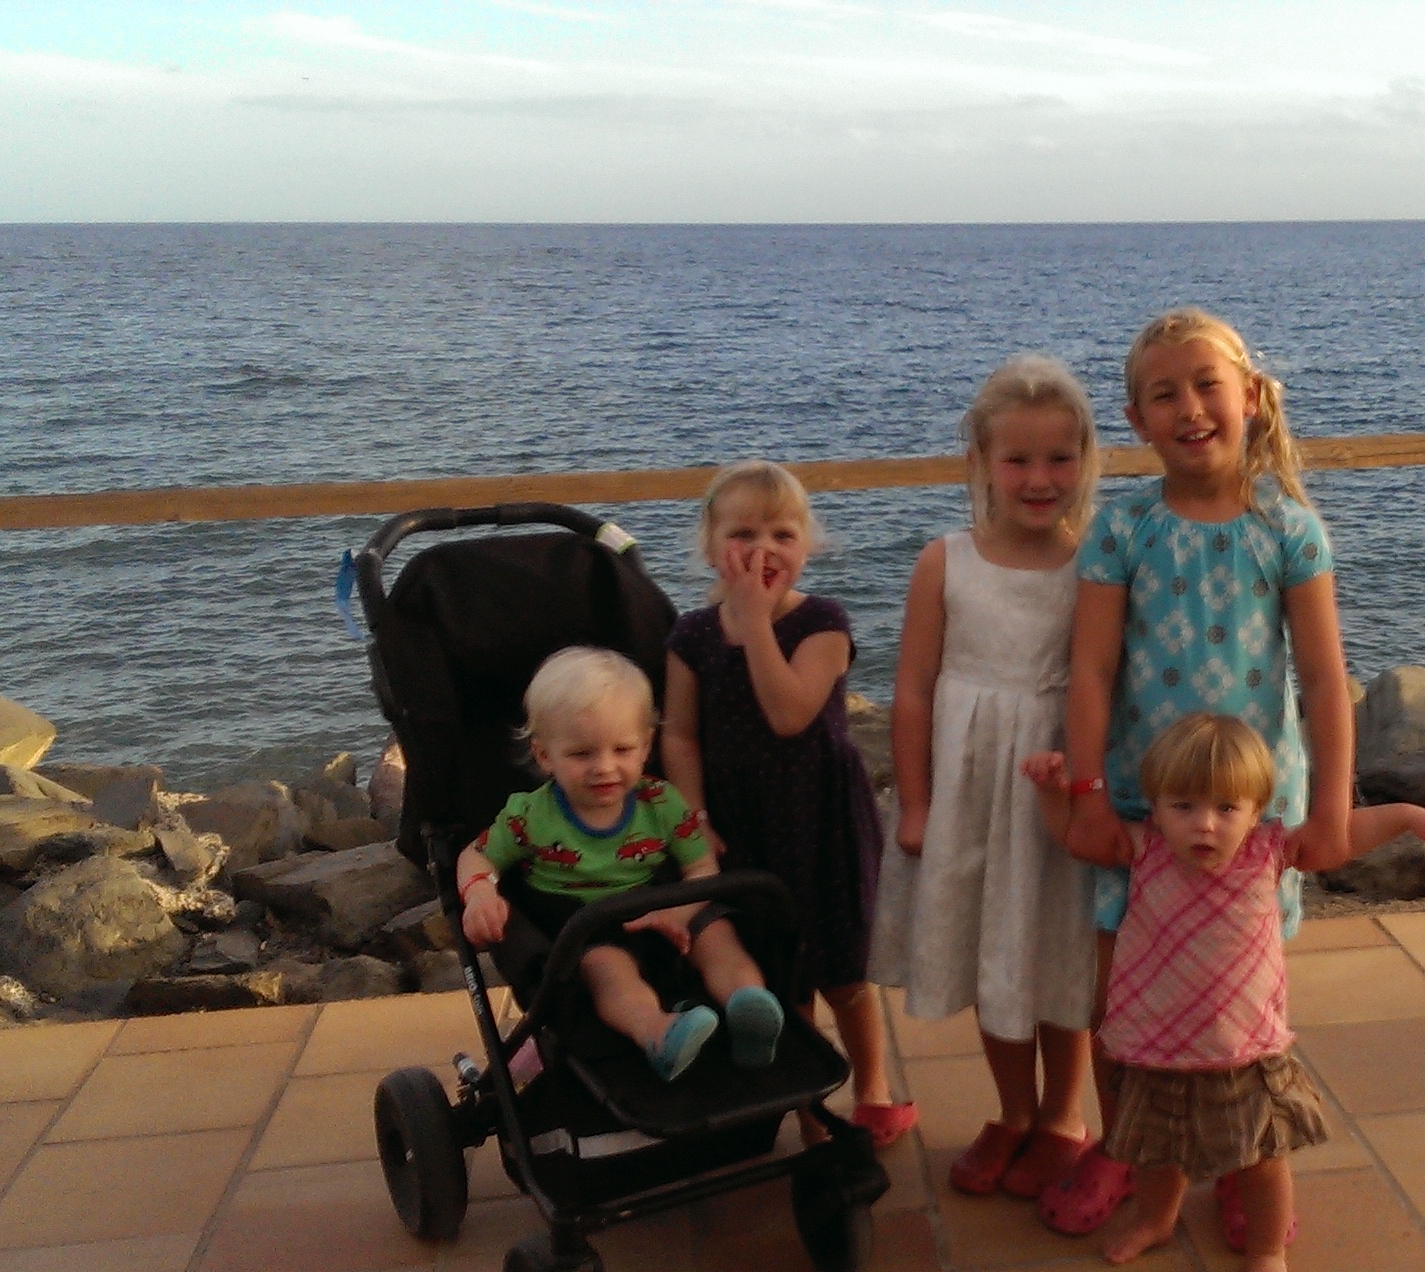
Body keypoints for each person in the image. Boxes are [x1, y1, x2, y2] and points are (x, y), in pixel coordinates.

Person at [1041, 307, 1357, 1235]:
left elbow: (1325, 679)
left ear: (1249, 397)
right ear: (1136, 420)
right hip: (1141, 809)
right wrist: (1090, 798)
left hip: (1251, 816)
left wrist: (1331, 811)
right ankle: (1132, 1153)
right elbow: (1091, 671)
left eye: (1206, 385)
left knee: (1238, 1001)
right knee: (1121, 1001)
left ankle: (1243, 1161)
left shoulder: (1288, 529)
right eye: (1164, 394)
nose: (1189, 409)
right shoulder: (1122, 531)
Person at [1027, 715, 1425, 1272]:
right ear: (1155, 808)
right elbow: (1077, 837)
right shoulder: (1144, 848)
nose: (1204, 823)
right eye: (1183, 806)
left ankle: (1267, 1249)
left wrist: (1405, 816)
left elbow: (1343, 836)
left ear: (1257, 812)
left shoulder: (1268, 852)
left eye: (1226, 808)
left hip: (1243, 1050)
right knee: (1154, 1152)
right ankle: (1156, 1218)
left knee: (1260, 1161)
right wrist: (1052, 793)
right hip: (1153, 1045)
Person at [872, 356, 1100, 1200]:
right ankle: (1013, 1109)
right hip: (970, 793)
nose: (1039, 479)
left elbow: (1102, 684)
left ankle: (1064, 1117)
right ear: (981, 462)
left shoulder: (1095, 566)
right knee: (992, 949)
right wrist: (917, 804)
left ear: (1085, 460)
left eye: (1059, 458)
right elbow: (911, 691)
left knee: (1058, 948)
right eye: (1018, 459)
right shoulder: (946, 562)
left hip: (1053, 795)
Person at [664, 461, 918, 1144]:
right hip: (743, 820)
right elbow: (679, 735)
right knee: (782, 975)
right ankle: (810, 1109)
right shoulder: (690, 636)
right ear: (711, 547)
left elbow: (788, 713)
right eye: (744, 534)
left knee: (843, 971)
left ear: (808, 544)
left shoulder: (822, 623)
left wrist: (754, 625)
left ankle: (873, 1088)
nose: (764, 550)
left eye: (783, 534)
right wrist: (694, 820)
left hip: (822, 818)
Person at [454, 646, 785, 1081]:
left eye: (623, 749)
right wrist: (480, 891)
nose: (605, 767)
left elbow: (702, 870)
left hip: (665, 907)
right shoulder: (530, 816)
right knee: (608, 974)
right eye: (582, 754)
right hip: (589, 928)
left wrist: (679, 912)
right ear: (544, 756)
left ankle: (748, 1003)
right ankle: (659, 1034)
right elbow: (475, 854)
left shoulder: (661, 803)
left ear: (646, 746)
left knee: (717, 933)